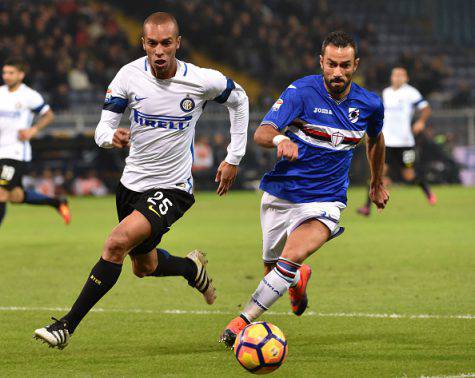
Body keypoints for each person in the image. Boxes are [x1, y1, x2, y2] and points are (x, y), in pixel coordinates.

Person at [34, 12, 249, 349]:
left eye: (166, 43)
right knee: (144, 266)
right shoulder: (128, 76)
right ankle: (191, 269)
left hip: (173, 188)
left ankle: (66, 326)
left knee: (115, 243)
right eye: (152, 43)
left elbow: (240, 99)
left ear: (177, 43)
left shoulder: (202, 80)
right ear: (143, 43)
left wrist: (233, 156)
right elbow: (103, 128)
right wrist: (112, 138)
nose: (159, 50)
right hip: (131, 184)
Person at [219, 31, 389, 347]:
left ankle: (240, 322)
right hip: (282, 194)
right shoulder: (300, 92)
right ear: (321, 62)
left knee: (291, 256)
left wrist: (377, 183)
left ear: (356, 64)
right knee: (274, 269)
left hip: (326, 200)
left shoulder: (369, 104)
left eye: (345, 65)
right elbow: (263, 132)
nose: (338, 73)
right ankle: (298, 279)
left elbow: (376, 140)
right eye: (332, 64)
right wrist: (282, 140)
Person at [0, 59, 70, 228]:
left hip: (16, 152)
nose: (6, 76)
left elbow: (49, 114)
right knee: (15, 196)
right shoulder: (1, 92)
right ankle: (57, 202)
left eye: (11, 73)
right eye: (4, 73)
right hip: (1, 150)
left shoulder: (29, 95)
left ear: (21, 75)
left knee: (1, 193)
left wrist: (33, 130)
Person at [357, 66, 435, 216]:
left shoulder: (411, 92)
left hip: (405, 142)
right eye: (395, 75)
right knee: (377, 174)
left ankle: (428, 192)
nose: (398, 78)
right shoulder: (386, 93)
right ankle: (367, 207)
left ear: (406, 78)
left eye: (401, 75)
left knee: (409, 176)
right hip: (386, 142)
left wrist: (421, 122)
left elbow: (426, 109)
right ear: (391, 77)